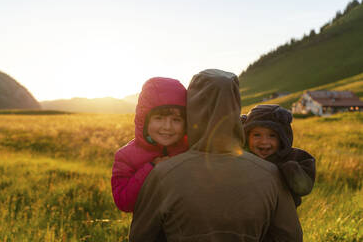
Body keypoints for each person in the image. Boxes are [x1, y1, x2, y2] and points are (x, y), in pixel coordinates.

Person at [129, 69, 303, 241]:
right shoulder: (271, 173)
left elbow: (140, 236)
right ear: (236, 105)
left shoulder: (163, 174)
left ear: (192, 108)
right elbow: (291, 237)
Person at [111, 77, 188, 213]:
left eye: (176, 120)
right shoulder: (126, 156)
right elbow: (123, 202)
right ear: (144, 119)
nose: (167, 127)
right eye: (159, 118)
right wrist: (152, 168)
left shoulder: (190, 149)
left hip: (185, 231)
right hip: (148, 232)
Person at [241, 104, 316, 207]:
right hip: (251, 214)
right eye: (256, 135)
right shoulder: (242, 157)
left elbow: (304, 188)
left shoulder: (295, 157)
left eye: (272, 136)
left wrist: (291, 170)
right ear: (247, 135)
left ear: (282, 138)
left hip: (282, 217)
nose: (264, 141)